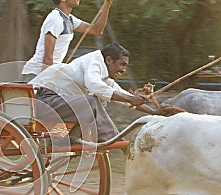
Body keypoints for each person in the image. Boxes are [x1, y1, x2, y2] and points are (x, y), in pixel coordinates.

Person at [29, 43, 174, 143]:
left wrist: (154, 111)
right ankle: (111, 138)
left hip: (54, 103)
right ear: (109, 60)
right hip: (41, 101)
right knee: (93, 100)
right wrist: (130, 99)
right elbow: (95, 87)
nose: (124, 70)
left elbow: (123, 97)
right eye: (122, 64)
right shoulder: (94, 61)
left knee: (99, 100)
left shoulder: (104, 75)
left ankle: (72, 138)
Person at [22, 0, 114, 82]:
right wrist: (44, 83)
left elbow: (96, 30)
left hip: (49, 73)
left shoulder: (70, 19)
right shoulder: (55, 19)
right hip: (36, 74)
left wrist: (107, 5)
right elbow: (47, 58)